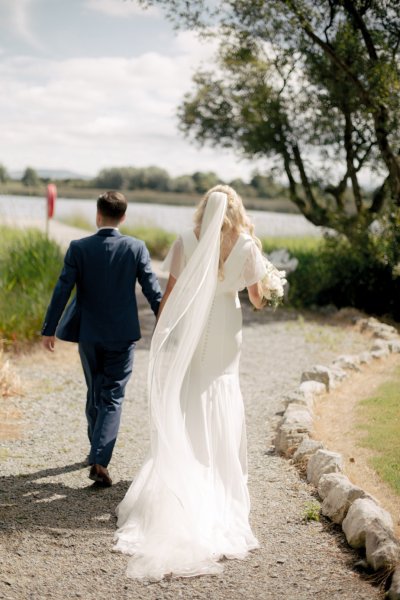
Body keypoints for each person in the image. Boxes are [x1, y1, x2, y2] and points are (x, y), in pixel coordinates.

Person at [113, 185, 268, 579]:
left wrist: (163, 334)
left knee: (190, 392)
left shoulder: (185, 240)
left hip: (195, 331)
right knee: (220, 392)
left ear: (204, 208)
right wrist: (272, 285)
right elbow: (257, 300)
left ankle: (185, 470)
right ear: (236, 209)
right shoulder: (248, 245)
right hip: (225, 332)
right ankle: (216, 471)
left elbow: (171, 293)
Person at [41, 191, 162, 487]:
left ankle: (95, 451)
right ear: (123, 217)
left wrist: (49, 328)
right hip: (122, 334)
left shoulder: (79, 247)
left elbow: (62, 290)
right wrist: (167, 321)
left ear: (98, 216)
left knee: (95, 389)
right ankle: (99, 458)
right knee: (113, 395)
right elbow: (152, 290)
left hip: (89, 333)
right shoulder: (136, 247)